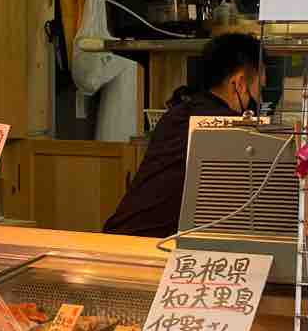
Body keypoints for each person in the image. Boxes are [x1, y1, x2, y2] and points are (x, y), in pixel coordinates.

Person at [105, 32, 265, 238]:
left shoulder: (176, 114)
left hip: (117, 234)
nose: (259, 99)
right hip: (153, 246)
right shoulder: (231, 128)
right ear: (240, 83)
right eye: (259, 89)